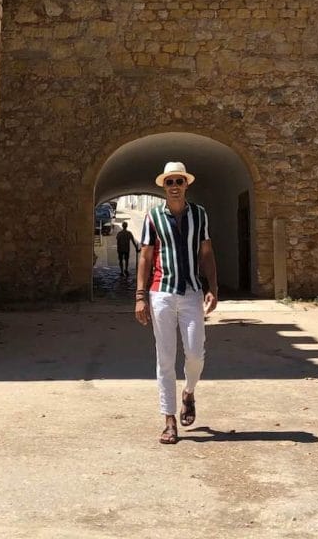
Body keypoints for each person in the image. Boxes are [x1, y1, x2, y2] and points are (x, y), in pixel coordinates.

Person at [135, 161, 218, 445]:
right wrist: (140, 296)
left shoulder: (200, 215)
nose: (174, 187)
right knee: (166, 358)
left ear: (186, 185)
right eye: (169, 182)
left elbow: (206, 252)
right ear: (163, 186)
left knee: (195, 353)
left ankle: (189, 392)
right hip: (161, 293)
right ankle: (169, 419)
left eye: (178, 181)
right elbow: (145, 256)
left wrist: (213, 288)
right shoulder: (153, 217)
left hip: (192, 291)